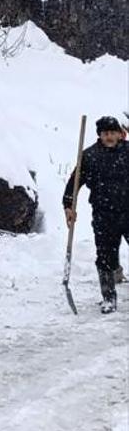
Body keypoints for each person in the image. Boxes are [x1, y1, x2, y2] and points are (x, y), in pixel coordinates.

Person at [63, 115, 129, 313]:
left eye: (112, 133)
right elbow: (73, 184)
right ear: (99, 135)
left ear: (119, 134)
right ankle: (109, 298)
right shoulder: (90, 156)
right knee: (105, 256)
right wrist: (68, 206)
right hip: (103, 214)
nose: (109, 136)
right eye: (105, 133)